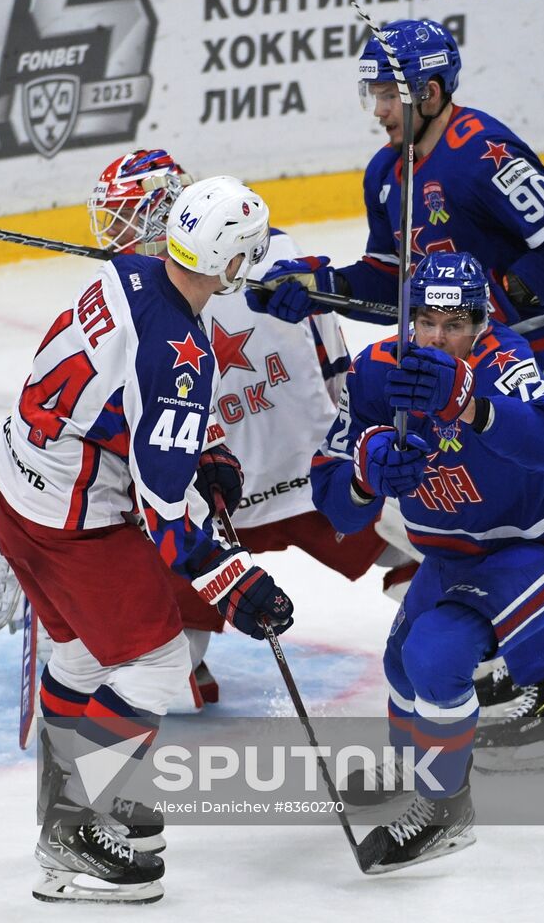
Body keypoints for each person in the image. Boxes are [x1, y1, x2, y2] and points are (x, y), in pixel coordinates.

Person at [247, 18, 544, 709]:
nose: (379, 110)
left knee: (527, 477)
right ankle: (513, 616)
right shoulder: (387, 174)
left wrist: (488, 317)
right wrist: (319, 287)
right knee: (474, 482)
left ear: (433, 92)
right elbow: (396, 282)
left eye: (389, 94)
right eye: (372, 94)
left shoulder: (483, 153)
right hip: (466, 348)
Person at [0, 176, 295, 903]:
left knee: (81, 653)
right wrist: (235, 584)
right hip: (73, 522)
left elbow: (132, 396)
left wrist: (206, 447)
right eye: (247, 253)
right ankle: (73, 836)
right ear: (226, 263)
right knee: (158, 659)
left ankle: (65, 809)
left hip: (17, 494)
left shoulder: (129, 270)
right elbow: (164, 515)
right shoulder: (180, 349)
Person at [309, 251, 544, 872]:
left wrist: (472, 406)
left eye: (457, 324)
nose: (440, 337)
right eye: (427, 322)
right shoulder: (376, 374)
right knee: (400, 664)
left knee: (436, 657)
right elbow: (336, 500)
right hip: (457, 547)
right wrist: (366, 478)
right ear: (408, 319)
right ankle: (415, 763)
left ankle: (445, 811)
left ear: (482, 321)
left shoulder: (504, 361)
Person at [86, 149, 416, 703]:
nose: (115, 234)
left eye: (126, 216)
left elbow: (336, 362)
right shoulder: (130, 292)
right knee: (165, 671)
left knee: (419, 544)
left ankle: (489, 622)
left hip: (305, 470)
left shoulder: (271, 258)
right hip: (220, 484)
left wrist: (349, 440)